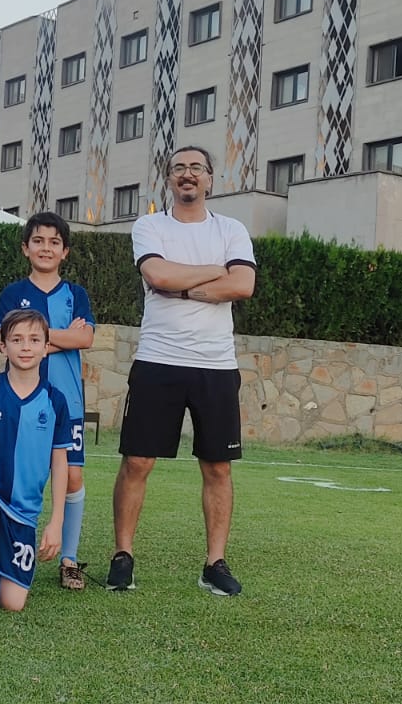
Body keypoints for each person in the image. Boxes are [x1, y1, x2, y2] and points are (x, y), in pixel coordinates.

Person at [111, 145, 257, 596]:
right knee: (138, 460)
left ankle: (214, 563)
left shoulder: (232, 229)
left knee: (218, 466)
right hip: (158, 359)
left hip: (215, 365)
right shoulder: (150, 225)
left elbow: (244, 284)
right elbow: (158, 277)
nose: (187, 174)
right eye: (179, 168)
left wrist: (187, 282)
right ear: (169, 179)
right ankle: (123, 557)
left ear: (210, 179)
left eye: (196, 168)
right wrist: (215, 274)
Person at [0, 212, 95, 590]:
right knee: (17, 472)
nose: (46, 248)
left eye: (54, 242)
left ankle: (68, 558)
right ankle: (8, 548)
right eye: (38, 240)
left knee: (73, 474)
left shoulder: (75, 294)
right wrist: (61, 336)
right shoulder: (10, 293)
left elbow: (86, 340)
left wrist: (39, 338)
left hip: (66, 400)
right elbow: (9, 340)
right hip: (20, 399)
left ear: (65, 251)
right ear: (25, 247)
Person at [0, 309, 71, 622]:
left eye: (34, 340)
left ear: (47, 347)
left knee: (13, 601)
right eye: (17, 339)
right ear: (2, 346)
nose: (25, 347)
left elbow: (60, 462)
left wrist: (56, 521)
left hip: (25, 506)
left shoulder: (56, 401)